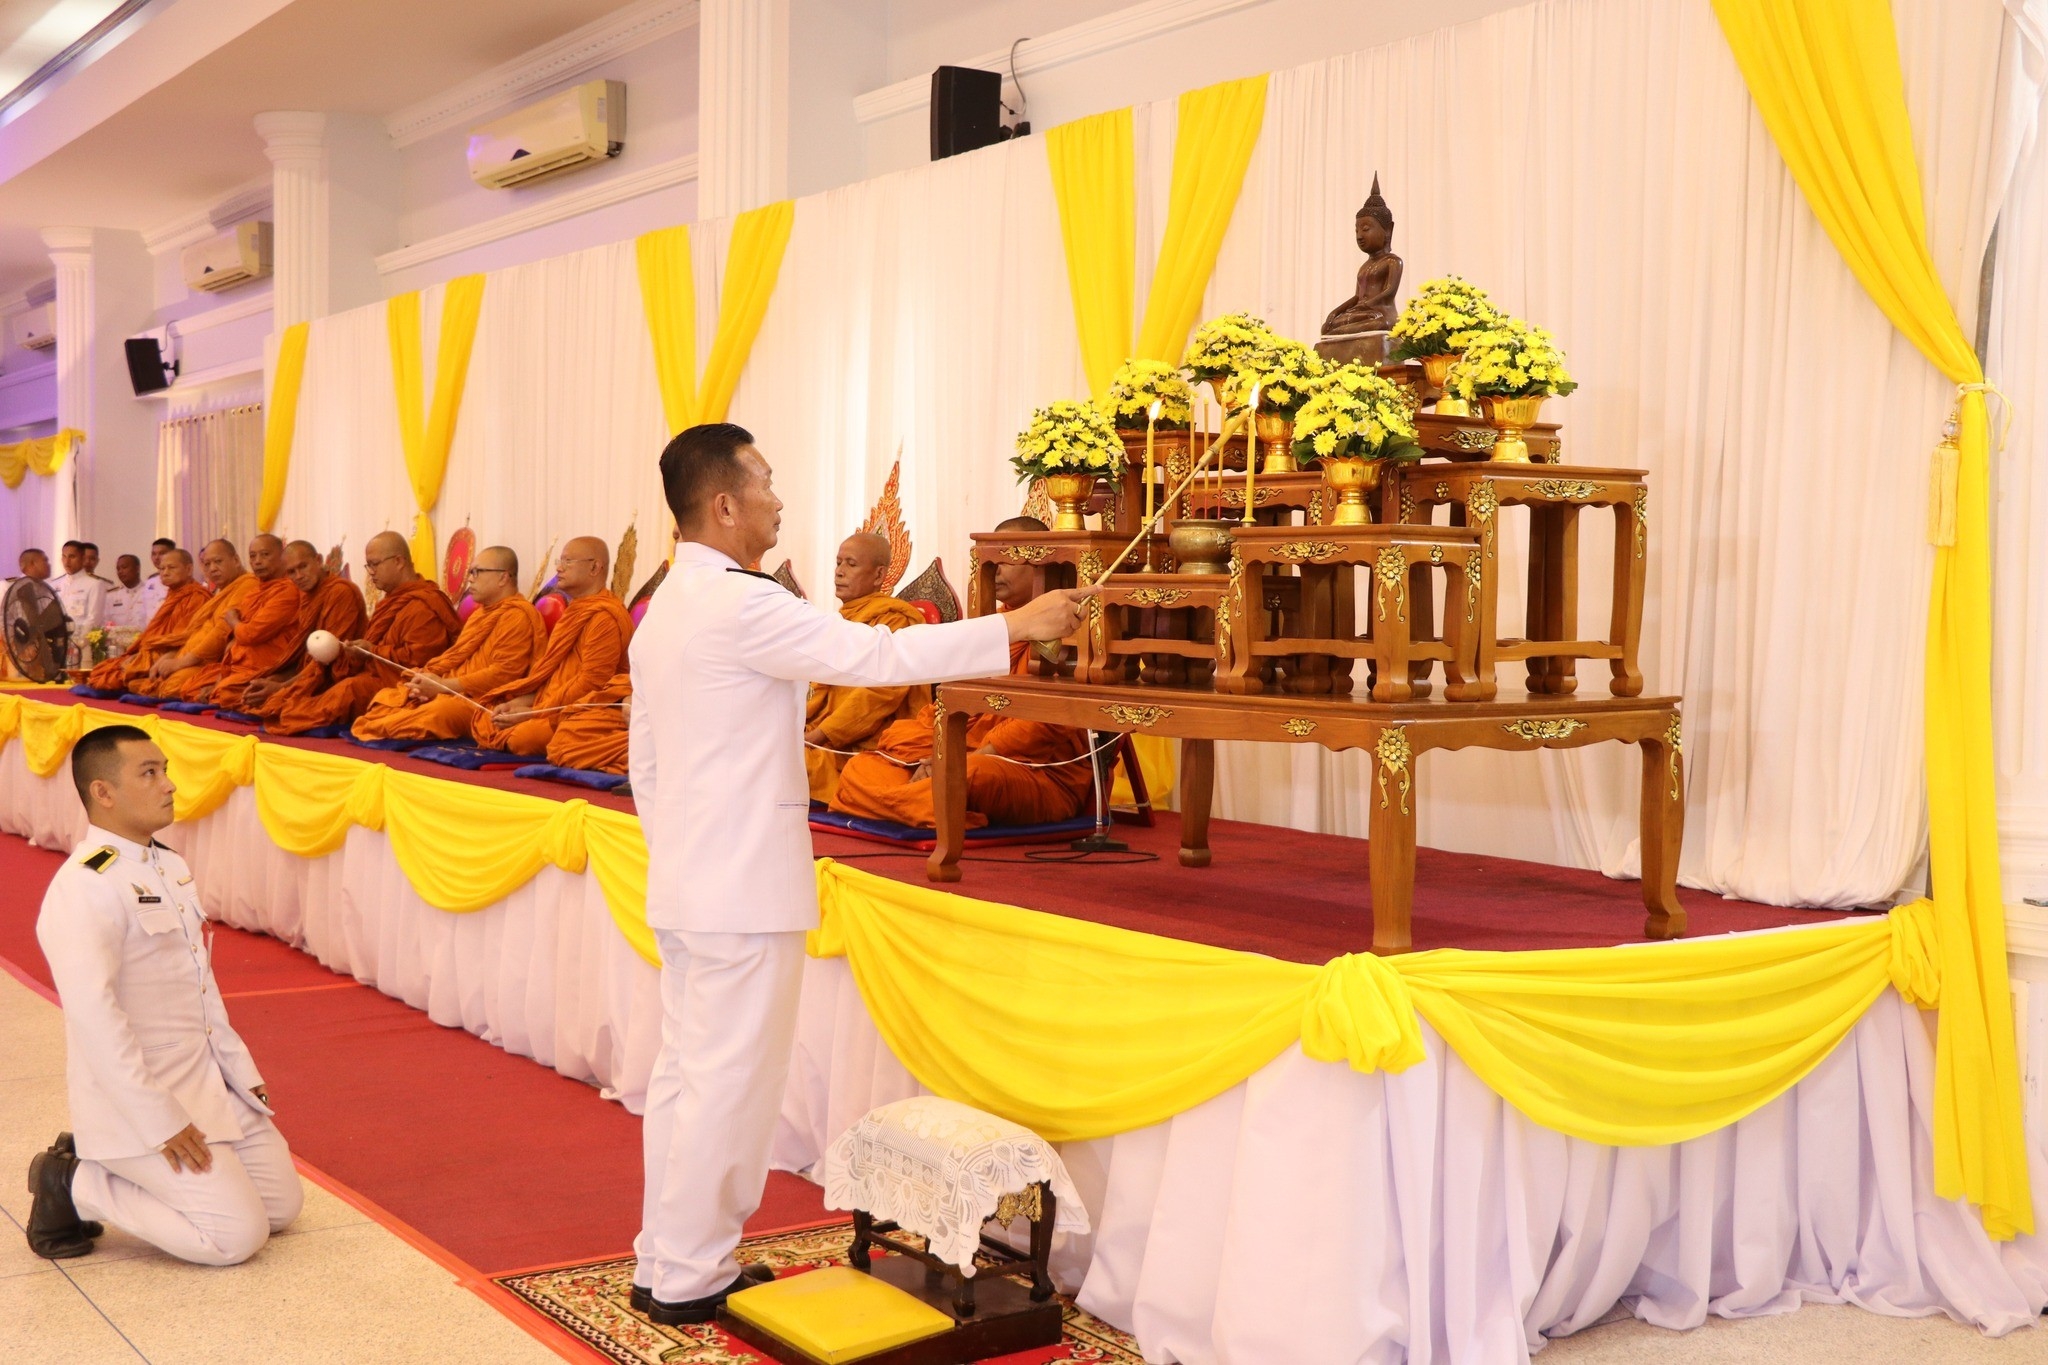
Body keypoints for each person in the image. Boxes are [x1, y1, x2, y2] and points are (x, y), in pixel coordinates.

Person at [627, 422, 1089, 1325]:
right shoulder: (741, 601)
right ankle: (690, 1275)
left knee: (686, 1078)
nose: (778, 499)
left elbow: (644, 762)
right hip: (741, 891)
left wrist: (681, 851)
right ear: (723, 505)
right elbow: (874, 656)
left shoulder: (671, 603)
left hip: (688, 881)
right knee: (727, 1084)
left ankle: (671, 1258)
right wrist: (1016, 625)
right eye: (765, 481)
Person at [26, 725, 303, 1264]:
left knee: (280, 1208)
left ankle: (130, 1174)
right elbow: (94, 1019)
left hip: (206, 1080)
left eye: (166, 770)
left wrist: (239, 1071)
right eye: (149, 773)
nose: (169, 785)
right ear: (103, 792)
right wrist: (159, 1120)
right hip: (137, 1099)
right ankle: (74, 1180)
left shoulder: (167, 864)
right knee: (234, 1239)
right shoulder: (85, 885)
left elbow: (199, 985)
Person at [830, 516, 1093, 830]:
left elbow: (1044, 724)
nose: (996, 570)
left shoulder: (1069, 628)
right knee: (860, 767)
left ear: (1041, 566)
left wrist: (955, 759)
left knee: (967, 774)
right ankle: (923, 802)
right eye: (992, 562)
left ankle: (917, 801)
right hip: (961, 749)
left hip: (1030, 770)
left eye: (1008, 560)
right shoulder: (992, 626)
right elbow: (951, 699)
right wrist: (940, 747)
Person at [259, 531, 461, 736]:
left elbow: (422, 660)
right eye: (368, 566)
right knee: (296, 702)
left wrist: (372, 650)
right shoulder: (391, 601)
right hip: (374, 675)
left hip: (400, 683)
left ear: (399, 561)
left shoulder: (424, 604)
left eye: (375, 564)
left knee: (332, 697)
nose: (371, 572)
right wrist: (360, 651)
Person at [348, 545, 545, 742]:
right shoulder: (480, 615)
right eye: (470, 572)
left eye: (477, 572)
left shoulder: (517, 616)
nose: (470, 579)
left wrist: (443, 686)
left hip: (485, 701)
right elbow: (456, 658)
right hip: (456, 692)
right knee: (388, 700)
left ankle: (380, 728)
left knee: (437, 712)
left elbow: (504, 674)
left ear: (503, 577)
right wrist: (428, 679)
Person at [459, 537, 634, 756]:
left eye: (568, 561)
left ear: (594, 568)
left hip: (581, 710)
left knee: (523, 738)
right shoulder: (574, 611)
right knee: (490, 715)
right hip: (551, 706)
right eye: (559, 561)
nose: (559, 568)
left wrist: (533, 713)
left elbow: (592, 685)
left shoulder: (604, 617)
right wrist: (521, 703)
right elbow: (551, 679)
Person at [802, 533, 926, 804]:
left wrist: (820, 735)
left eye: (851, 564)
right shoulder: (839, 622)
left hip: (866, 742)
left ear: (879, 575)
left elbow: (880, 692)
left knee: (783, 761)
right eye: (838, 563)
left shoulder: (895, 621)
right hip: (821, 734)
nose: (839, 572)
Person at [236, 541, 367, 715]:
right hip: (311, 673)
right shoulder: (307, 596)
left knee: (285, 709)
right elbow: (304, 655)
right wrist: (278, 679)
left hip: (335, 676)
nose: (299, 576)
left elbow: (329, 658)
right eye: (291, 572)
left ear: (318, 560)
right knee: (249, 691)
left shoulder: (340, 592)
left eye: (303, 567)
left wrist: (282, 687)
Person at [175, 536, 304, 709]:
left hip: (267, 665)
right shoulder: (254, 592)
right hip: (239, 664)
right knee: (189, 687)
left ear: (282, 557)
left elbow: (250, 633)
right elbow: (234, 640)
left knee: (224, 694)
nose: (257, 561)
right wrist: (220, 678)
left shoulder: (287, 591)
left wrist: (233, 621)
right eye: (252, 556)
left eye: (265, 554)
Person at [127, 541, 256, 699]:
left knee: (170, 687)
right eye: (207, 564)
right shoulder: (222, 591)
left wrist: (181, 662)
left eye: (218, 561)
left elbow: (220, 633)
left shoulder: (247, 584)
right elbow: (195, 632)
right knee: (142, 680)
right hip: (193, 655)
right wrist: (173, 655)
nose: (212, 569)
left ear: (235, 560)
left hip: (212, 660)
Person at [85, 551, 210, 694]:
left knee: (112, 677)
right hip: (155, 651)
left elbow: (188, 638)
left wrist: (160, 658)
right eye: (162, 568)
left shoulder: (198, 597)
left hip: (176, 655)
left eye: (171, 568)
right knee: (101, 671)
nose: (165, 572)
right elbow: (156, 633)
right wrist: (139, 653)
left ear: (188, 569)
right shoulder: (173, 595)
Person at [546, 670, 630, 774]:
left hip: (643, 722)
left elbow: (592, 680)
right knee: (565, 736)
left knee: (529, 735)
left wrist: (534, 712)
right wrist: (628, 695)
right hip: (622, 709)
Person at [52, 540, 107, 634]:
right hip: (57, 638)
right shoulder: (54, 585)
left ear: (83, 559)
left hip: (81, 639)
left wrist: (79, 638)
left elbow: (94, 618)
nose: (67, 561)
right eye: (64, 556)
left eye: (72, 557)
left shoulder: (94, 584)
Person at [104, 556, 150, 632]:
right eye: (118, 569)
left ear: (137, 568)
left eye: (124, 567)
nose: (120, 571)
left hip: (144, 638)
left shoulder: (150, 592)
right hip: (117, 638)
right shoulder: (111, 595)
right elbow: (105, 623)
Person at [140, 538, 176, 620]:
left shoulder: (178, 581)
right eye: (154, 554)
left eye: (161, 553)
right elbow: (144, 614)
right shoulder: (149, 583)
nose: (156, 558)